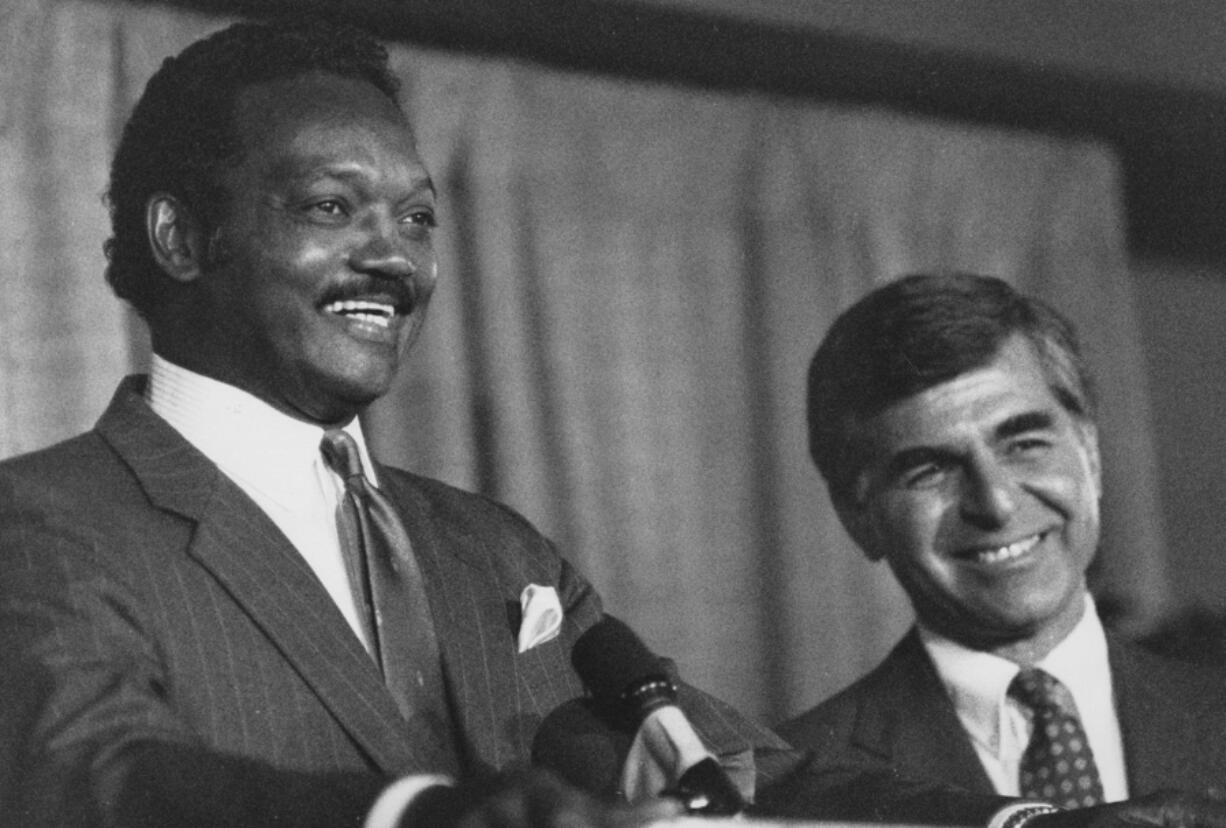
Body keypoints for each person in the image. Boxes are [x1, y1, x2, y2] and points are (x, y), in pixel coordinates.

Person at [0, 18, 1018, 828]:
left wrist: (1024, 827)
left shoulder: (492, 549)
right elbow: (92, 779)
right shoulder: (45, 524)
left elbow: (739, 775)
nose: (393, 260)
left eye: (416, 218)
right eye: (330, 208)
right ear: (180, 237)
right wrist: (419, 815)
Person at [777, 273, 1226, 808]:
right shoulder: (789, 789)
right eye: (930, 470)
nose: (996, 503)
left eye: (1025, 444)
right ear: (858, 517)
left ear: (1091, 454)